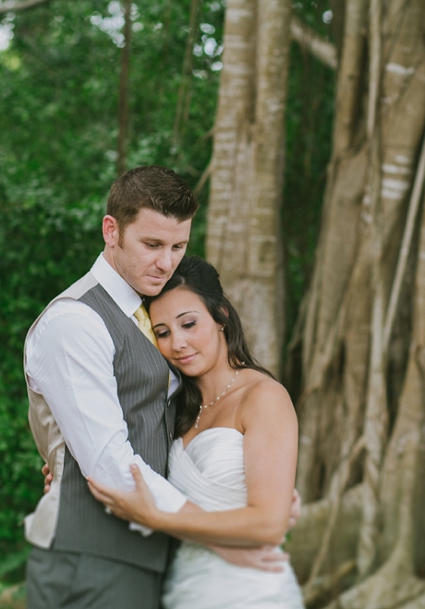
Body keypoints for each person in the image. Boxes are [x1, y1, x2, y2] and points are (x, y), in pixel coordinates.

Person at [23, 166, 279, 609]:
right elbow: (107, 463)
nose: (167, 262)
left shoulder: (153, 317)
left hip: (153, 563)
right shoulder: (75, 321)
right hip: (93, 561)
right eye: (152, 244)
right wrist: (217, 534)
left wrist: (246, 505)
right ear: (111, 231)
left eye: (178, 246)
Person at [87, 255, 305, 609]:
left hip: (254, 594)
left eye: (189, 323)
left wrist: (157, 518)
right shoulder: (172, 409)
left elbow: (269, 524)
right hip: (185, 591)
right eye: (163, 333)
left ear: (221, 316)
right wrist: (66, 468)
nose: (178, 344)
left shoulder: (263, 397)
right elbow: (124, 470)